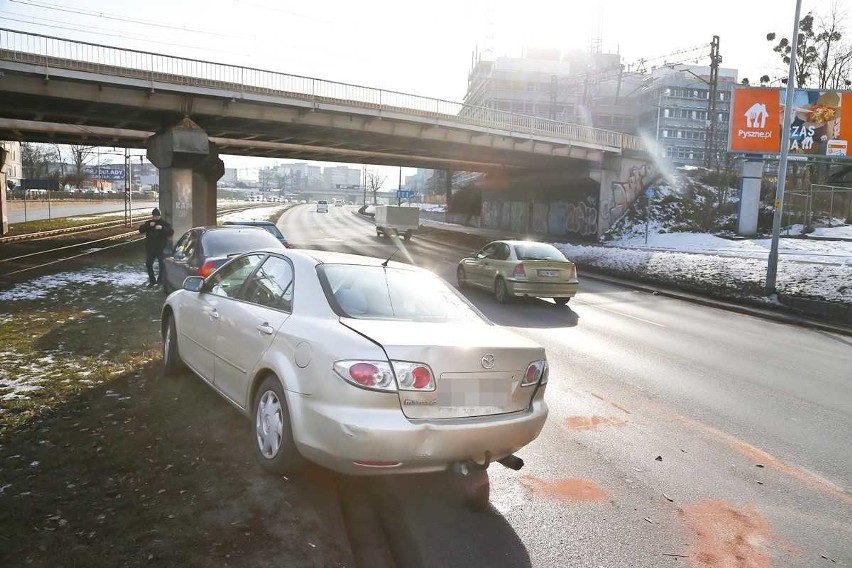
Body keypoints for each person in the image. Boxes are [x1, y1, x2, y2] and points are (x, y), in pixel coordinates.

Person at [139, 207, 174, 287]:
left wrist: (162, 228)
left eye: (156, 216)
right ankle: (152, 281)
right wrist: (148, 225)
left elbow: (171, 232)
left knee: (162, 265)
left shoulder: (164, 223)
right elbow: (141, 230)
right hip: (150, 248)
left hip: (161, 248)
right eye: (154, 216)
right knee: (148, 264)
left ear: (159, 216)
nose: (155, 217)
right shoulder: (149, 223)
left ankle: (160, 281)